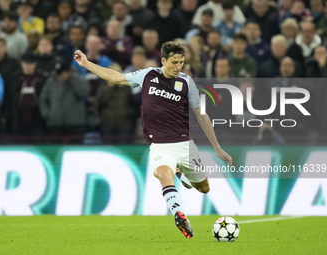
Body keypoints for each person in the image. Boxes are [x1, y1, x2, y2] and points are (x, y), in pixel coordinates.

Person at [74, 41, 232, 238]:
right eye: (174, 62)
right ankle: (179, 215)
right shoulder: (148, 75)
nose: (179, 66)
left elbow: (202, 116)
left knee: (204, 188)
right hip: (160, 145)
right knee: (163, 175)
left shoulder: (186, 82)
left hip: (184, 145)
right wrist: (87, 64)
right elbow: (116, 78)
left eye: (181, 62)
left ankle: (181, 173)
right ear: (163, 60)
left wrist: (217, 148)